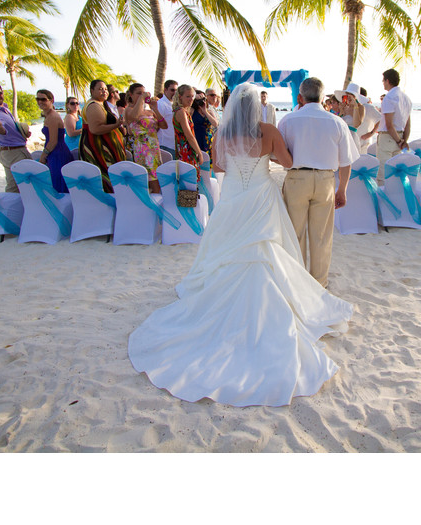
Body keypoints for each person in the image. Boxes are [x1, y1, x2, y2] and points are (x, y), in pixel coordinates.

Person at [127, 83, 353, 407]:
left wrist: (238, 161)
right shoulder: (269, 130)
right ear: (257, 107)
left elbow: (216, 165)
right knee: (267, 248)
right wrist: (269, 152)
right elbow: (287, 162)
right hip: (261, 195)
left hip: (234, 196)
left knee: (227, 248)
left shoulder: (222, 133)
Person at [278, 77, 358, 288]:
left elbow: (280, 155)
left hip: (297, 178)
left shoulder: (287, 120)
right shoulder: (337, 122)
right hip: (324, 180)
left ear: (300, 97)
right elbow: (346, 162)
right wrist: (343, 190)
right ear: (323, 98)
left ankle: (297, 281)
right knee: (321, 235)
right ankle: (319, 283)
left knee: (295, 233)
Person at [0, 81, 32, 193]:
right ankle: (14, 209)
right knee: (21, 185)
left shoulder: (3, 108)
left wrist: (21, 133)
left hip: (11, 151)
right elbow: (1, 130)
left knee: (16, 185)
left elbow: (8, 131)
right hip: (13, 153)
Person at [80, 79, 126, 192]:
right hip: (99, 149)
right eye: (100, 89)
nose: (104, 91)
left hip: (104, 149)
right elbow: (96, 129)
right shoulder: (94, 105)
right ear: (92, 91)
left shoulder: (100, 104)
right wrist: (116, 125)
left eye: (105, 89)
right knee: (104, 182)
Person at [124, 82, 165, 193]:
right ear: (131, 95)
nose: (142, 95)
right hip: (142, 148)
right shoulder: (129, 110)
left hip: (154, 147)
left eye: (143, 93)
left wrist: (155, 109)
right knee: (150, 178)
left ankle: (156, 201)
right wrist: (142, 99)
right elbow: (134, 117)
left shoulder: (150, 111)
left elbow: (164, 126)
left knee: (157, 178)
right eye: (138, 93)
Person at [376, 68, 411, 184]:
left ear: (387, 80)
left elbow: (389, 125)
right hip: (399, 136)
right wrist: (404, 140)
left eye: (383, 81)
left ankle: (381, 201)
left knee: (382, 175)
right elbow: (407, 123)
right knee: (394, 174)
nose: (382, 83)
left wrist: (399, 141)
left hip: (388, 138)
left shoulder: (389, 97)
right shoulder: (406, 99)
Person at [36, 89, 74, 193]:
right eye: (38, 99)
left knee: (58, 186)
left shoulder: (52, 117)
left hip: (58, 154)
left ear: (51, 100)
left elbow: (53, 141)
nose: (40, 102)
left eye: (43, 99)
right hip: (55, 153)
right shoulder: (49, 115)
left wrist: (43, 156)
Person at [172, 83, 204, 173]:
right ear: (180, 96)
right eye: (188, 96)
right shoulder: (181, 112)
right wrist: (199, 153)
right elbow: (189, 135)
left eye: (192, 96)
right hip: (186, 151)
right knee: (189, 182)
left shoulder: (182, 111)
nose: (191, 99)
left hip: (184, 150)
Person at [191, 90, 217, 164]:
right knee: (197, 162)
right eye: (199, 100)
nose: (202, 101)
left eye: (203, 99)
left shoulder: (209, 111)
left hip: (208, 140)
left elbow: (215, 124)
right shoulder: (192, 111)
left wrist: (205, 111)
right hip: (197, 139)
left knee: (209, 163)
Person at [157, 79, 178, 159]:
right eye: (172, 90)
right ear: (165, 90)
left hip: (173, 144)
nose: (174, 93)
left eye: (176, 90)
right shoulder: (161, 104)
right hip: (165, 144)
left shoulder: (173, 104)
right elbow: (157, 124)